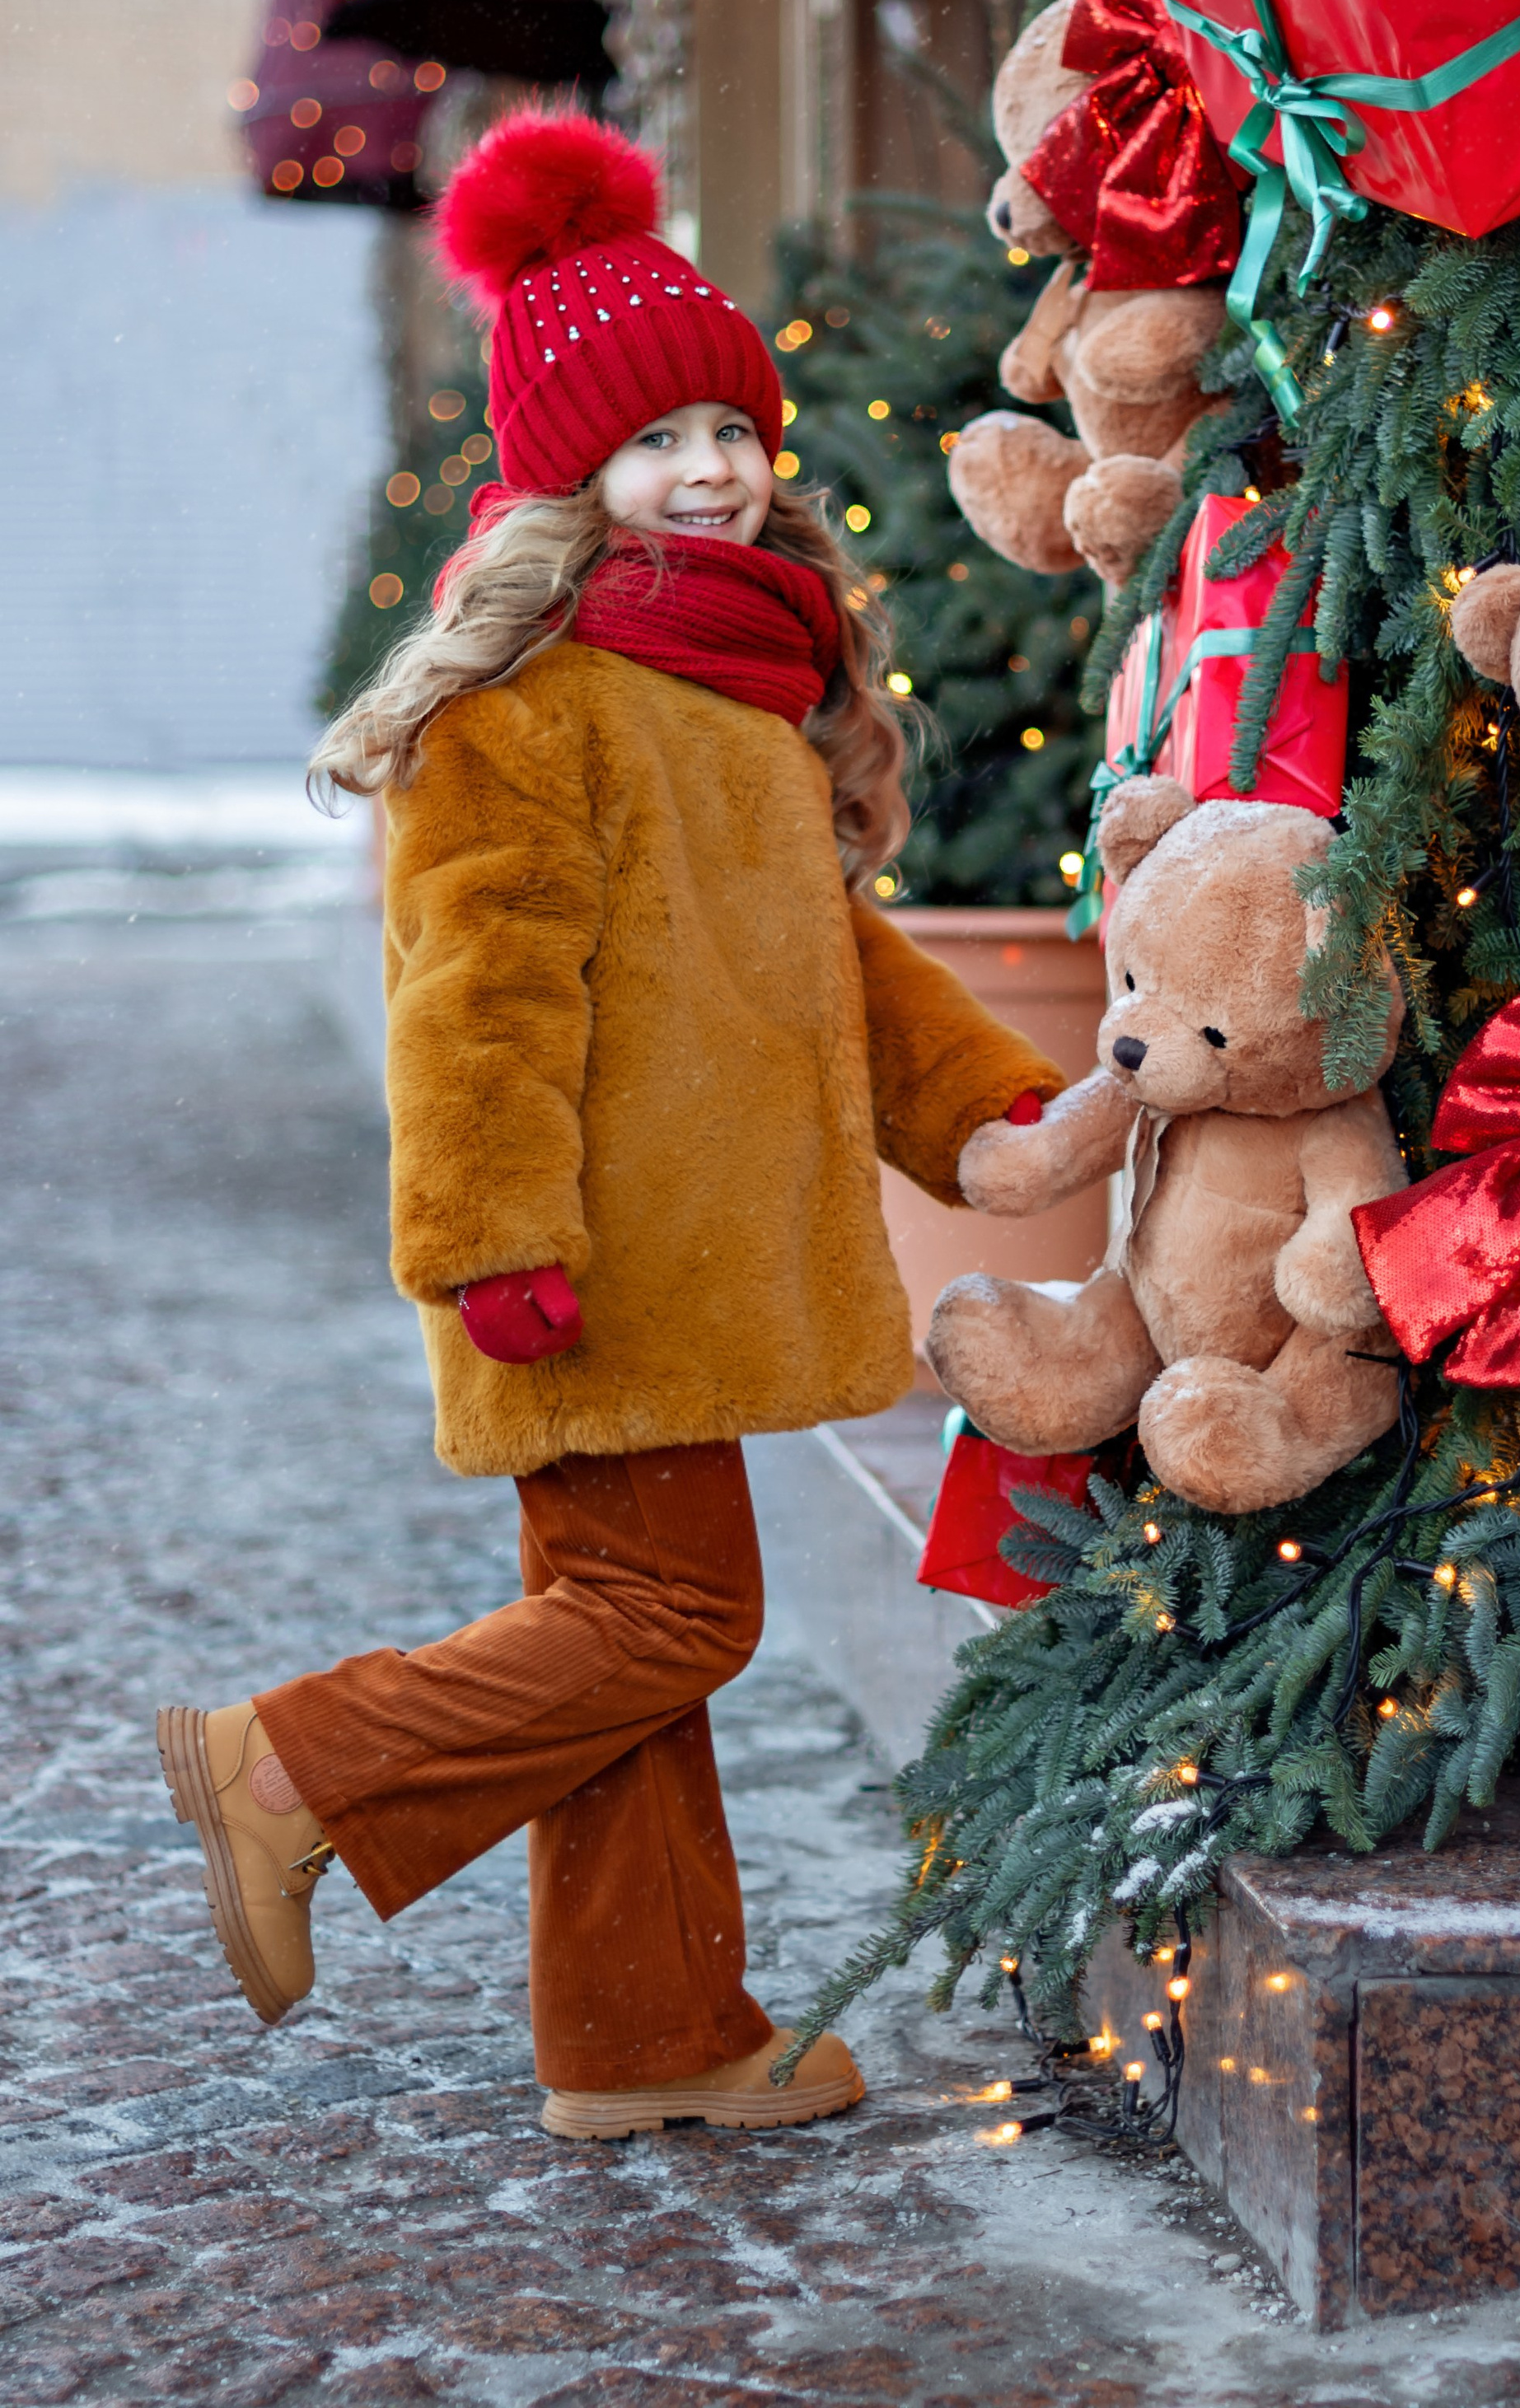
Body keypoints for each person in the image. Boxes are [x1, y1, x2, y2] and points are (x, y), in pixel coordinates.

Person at [156, 111, 1063, 2139]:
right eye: (659, 446)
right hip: (589, 1257)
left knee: (630, 1643)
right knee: (672, 1619)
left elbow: (834, 957)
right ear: (573, 476)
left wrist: (989, 1108)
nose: (714, 470)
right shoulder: (533, 697)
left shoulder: (738, 677)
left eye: (732, 429)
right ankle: (295, 1765)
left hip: (691, 1241)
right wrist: (490, 1243)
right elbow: (469, 999)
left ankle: (645, 2033)